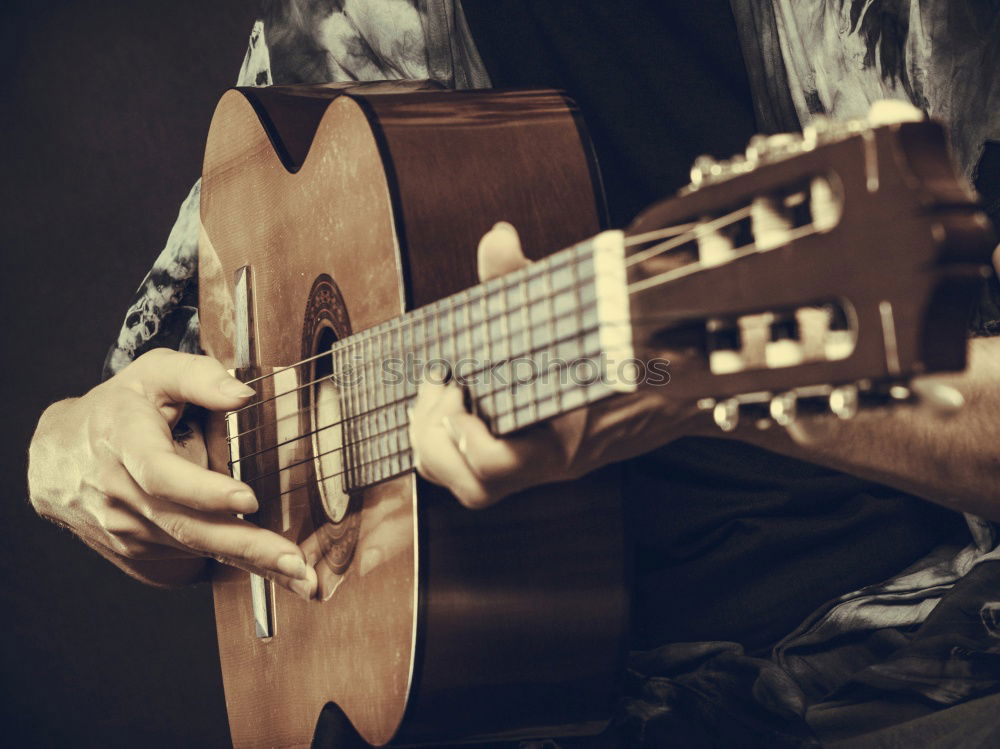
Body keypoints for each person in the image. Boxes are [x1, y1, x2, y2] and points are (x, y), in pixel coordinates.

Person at [26, 1, 1000, 746]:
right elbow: (188, 404)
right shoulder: (359, 25)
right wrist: (72, 448)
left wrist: (687, 371)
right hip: (524, 700)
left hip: (922, 665)